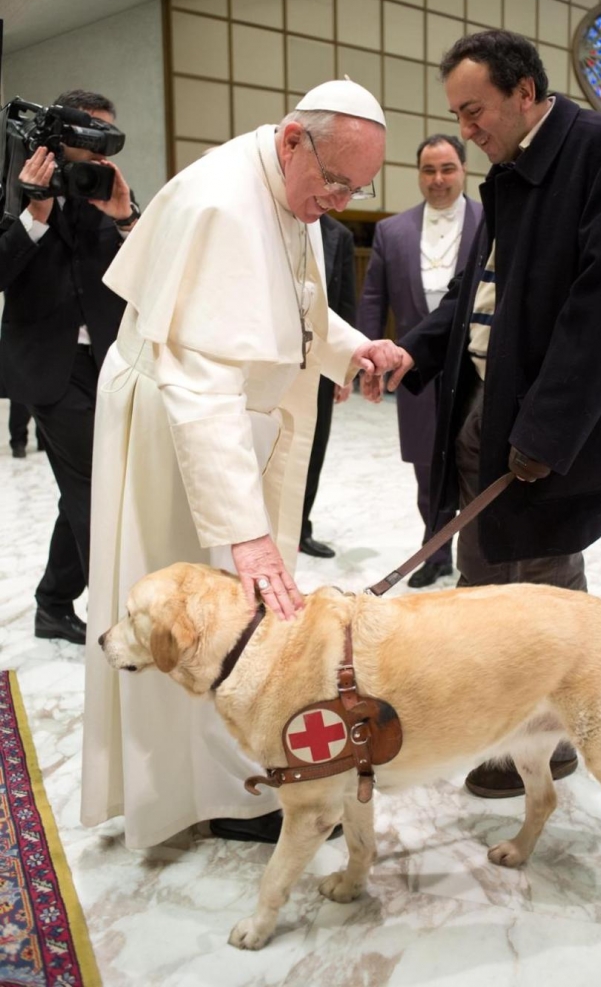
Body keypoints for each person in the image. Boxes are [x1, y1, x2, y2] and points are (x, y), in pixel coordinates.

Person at [81, 80, 402, 849]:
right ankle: (192, 791)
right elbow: (202, 386)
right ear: (294, 138)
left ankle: (225, 773)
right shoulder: (224, 204)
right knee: (188, 612)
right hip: (177, 433)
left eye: (357, 188)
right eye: (334, 180)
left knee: (230, 610)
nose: (340, 198)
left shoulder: (286, 193)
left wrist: (352, 348)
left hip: (217, 429)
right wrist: (243, 533)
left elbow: (292, 305)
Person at [377, 30, 601, 797]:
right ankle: (500, 731)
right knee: (485, 583)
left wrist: (545, 431)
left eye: (474, 112)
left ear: (525, 93)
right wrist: (419, 349)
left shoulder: (599, 153)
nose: (465, 130)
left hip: (545, 426)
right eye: (457, 116)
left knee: (541, 587)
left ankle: (553, 741)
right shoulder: (508, 172)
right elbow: (481, 293)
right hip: (487, 409)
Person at [0, 89, 136, 643]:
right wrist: (34, 216)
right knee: (97, 489)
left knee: (81, 488)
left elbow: (150, 266)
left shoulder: (110, 189)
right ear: (59, 138)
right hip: (47, 369)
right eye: (86, 137)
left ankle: (52, 603)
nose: (96, 150)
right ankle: (118, 614)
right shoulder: (14, 186)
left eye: (105, 138)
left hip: (109, 362)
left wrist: (127, 218)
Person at [357, 134, 483, 586]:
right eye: (429, 170)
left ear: (464, 169)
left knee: (474, 458)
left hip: (476, 368)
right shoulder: (393, 231)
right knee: (427, 470)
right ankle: (435, 553)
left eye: (447, 168)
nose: (438, 179)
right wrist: (366, 357)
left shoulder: (490, 220)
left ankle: (479, 552)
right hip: (414, 369)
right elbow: (373, 299)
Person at [299, 212, 357, 558]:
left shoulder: (340, 235)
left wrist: (344, 367)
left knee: (313, 447)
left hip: (319, 361)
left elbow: (344, 303)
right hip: (266, 358)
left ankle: (300, 527)